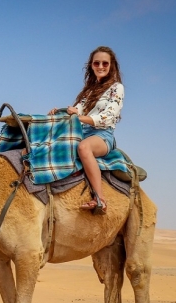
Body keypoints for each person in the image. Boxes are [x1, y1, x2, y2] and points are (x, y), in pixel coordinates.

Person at [49, 46, 124, 215]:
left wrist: (78, 118)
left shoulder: (116, 88)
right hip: (81, 131)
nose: (100, 66)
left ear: (111, 66)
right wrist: (60, 113)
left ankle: (100, 200)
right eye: (96, 63)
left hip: (102, 135)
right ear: (91, 65)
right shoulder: (88, 91)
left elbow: (108, 117)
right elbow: (77, 111)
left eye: (105, 63)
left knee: (84, 148)